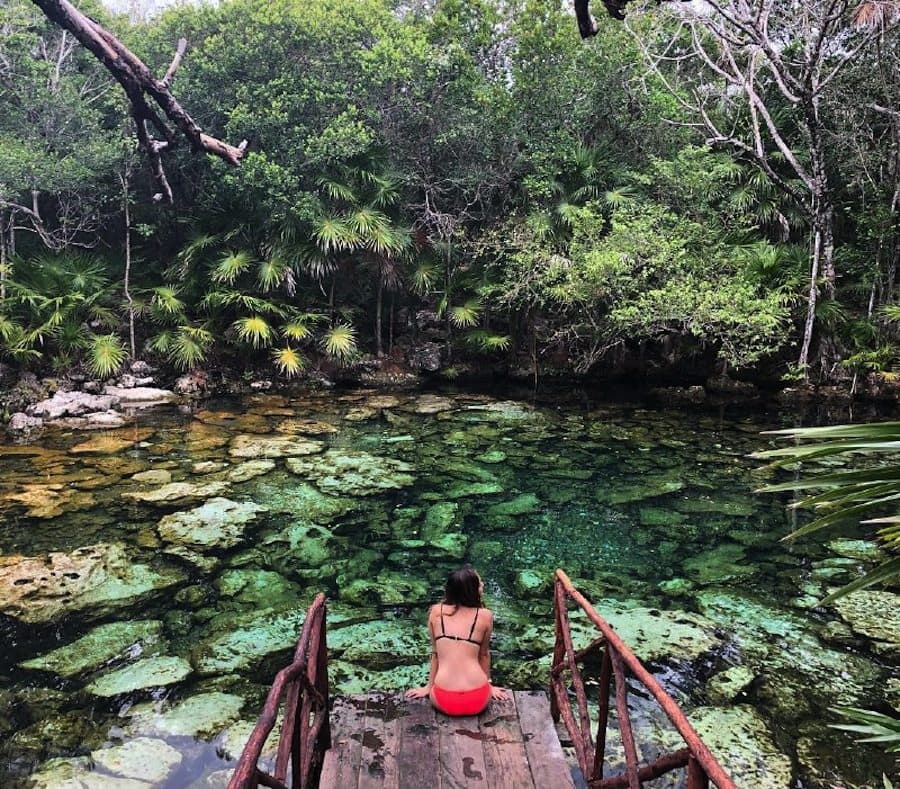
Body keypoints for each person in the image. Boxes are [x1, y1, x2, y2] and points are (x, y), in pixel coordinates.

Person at [405, 566, 508, 716]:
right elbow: (484, 655)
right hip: (478, 699)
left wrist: (428, 687)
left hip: (443, 699)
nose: (483, 584)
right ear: (471, 590)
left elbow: (436, 654)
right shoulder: (485, 615)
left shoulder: (436, 611)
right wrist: (489, 686)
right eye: (479, 583)